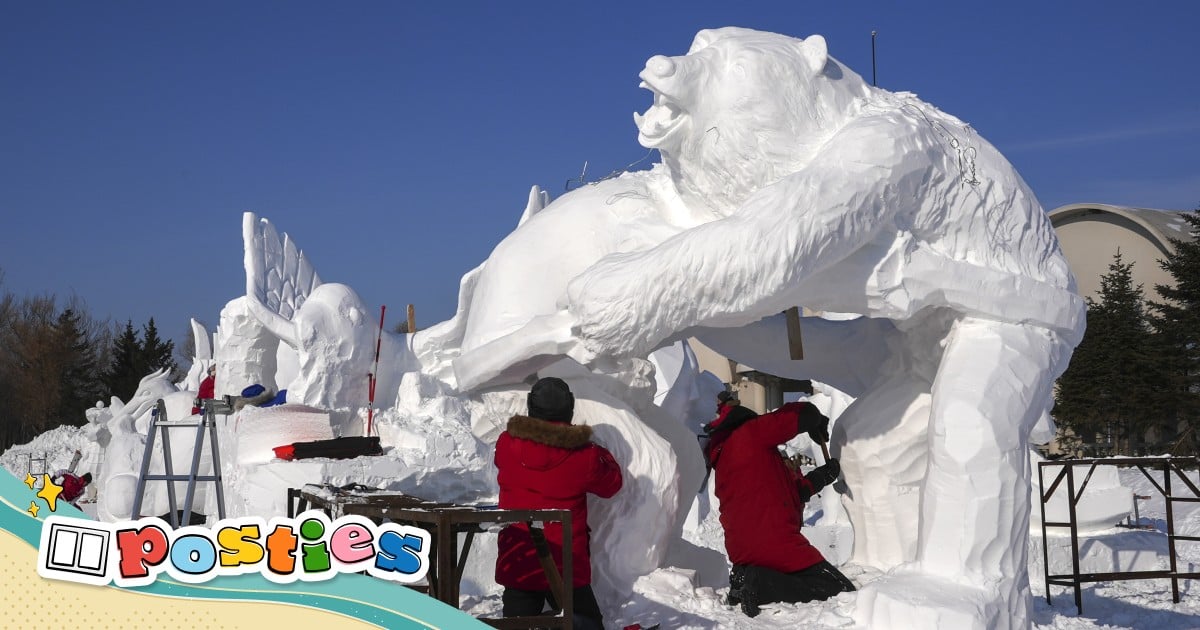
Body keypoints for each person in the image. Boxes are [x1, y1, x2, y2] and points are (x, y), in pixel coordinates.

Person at [702, 395, 855, 617]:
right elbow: (796, 416)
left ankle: (745, 577)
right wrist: (815, 420)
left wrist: (821, 477)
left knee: (792, 573)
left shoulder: (727, 459)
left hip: (741, 550)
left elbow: (789, 493)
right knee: (838, 589)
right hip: (774, 543)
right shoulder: (751, 434)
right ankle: (762, 587)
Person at [494, 377, 623, 630]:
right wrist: (597, 451)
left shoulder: (506, 443)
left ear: (530, 406)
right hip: (565, 564)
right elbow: (612, 484)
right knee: (587, 626)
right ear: (570, 409)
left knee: (515, 626)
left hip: (520, 558)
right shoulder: (585, 456)